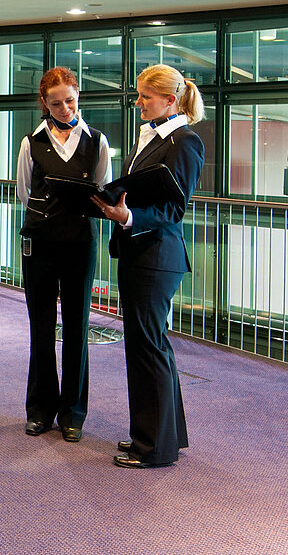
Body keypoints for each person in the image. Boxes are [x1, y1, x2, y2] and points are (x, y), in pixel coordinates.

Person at [92, 63, 205, 468]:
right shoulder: (156, 137)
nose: (137, 102)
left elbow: (174, 209)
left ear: (170, 100)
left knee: (149, 348)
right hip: (140, 253)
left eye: (145, 96)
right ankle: (157, 437)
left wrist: (126, 217)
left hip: (157, 257)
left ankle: (154, 447)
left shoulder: (184, 142)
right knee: (147, 346)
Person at [17, 67, 111, 442]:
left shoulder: (97, 141)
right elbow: (25, 191)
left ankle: (73, 413)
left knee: (77, 326)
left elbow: (102, 189)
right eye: (55, 103)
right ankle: (40, 409)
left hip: (79, 242)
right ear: (44, 102)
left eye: (69, 100)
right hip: (39, 242)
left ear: (78, 96)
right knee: (40, 326)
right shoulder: (31, 142)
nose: (64, 108)